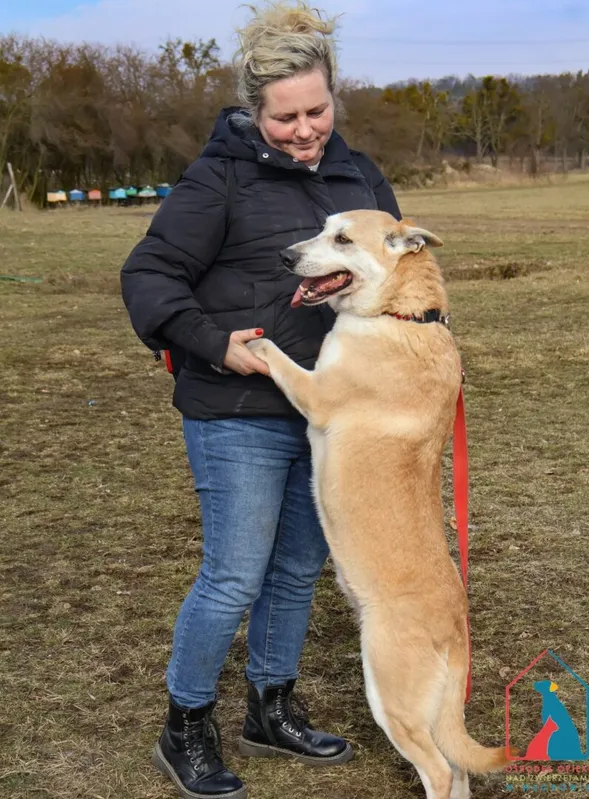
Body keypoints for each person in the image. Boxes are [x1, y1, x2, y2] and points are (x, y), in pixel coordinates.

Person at [121, 3, 401, 797]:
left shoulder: (359, 176)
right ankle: (186, 724)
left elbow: (400, 275)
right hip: (237, 412)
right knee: (235, 575)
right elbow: (148, 276)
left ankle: (271, 708)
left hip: (333, 415)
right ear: (254, 112)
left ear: (333, 97)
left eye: (317, 110)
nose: (305, 130)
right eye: (286, 117)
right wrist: (215, 343)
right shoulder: (218, 178)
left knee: (299, 567)